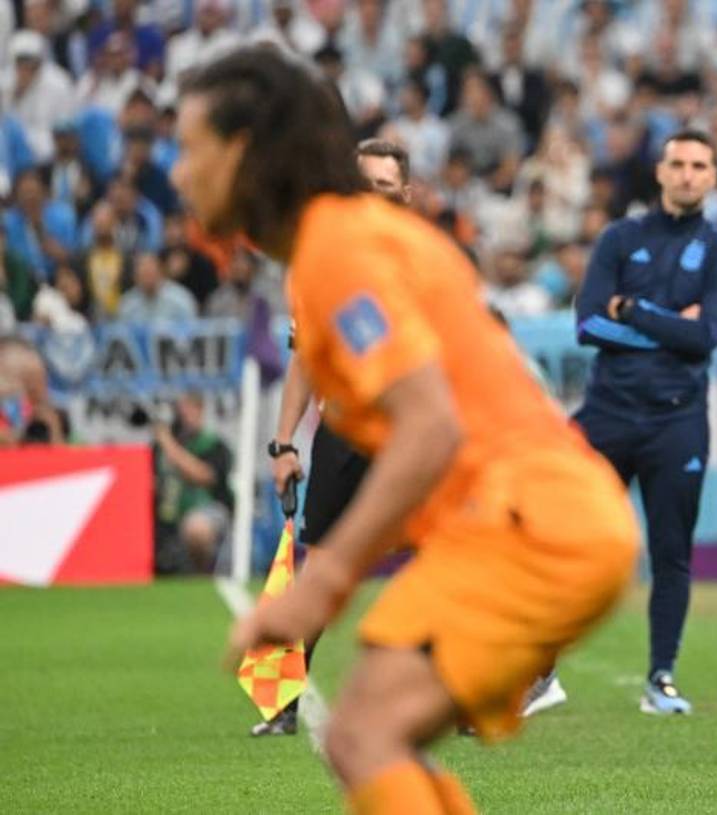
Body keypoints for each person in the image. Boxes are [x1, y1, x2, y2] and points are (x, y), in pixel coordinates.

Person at [187, 51, 637, 815]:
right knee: (365, 736)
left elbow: (429, 425)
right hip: (528, 517)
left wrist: (322, 582)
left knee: (362, 736)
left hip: (527, 521)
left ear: (242, 152)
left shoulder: (342, 252)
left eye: (190, 145)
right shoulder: (344, 247)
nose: (178, 170)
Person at [573, 129, 717, 714]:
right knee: (568, 544)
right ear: (661, 172)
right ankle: (535, 672)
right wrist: (669, 326)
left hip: (677, 421)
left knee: (671, 552)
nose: (688, 174)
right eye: (678, 163)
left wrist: (632, 310)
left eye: (700, 164)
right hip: (607, 416)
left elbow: (706, 337)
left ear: (713, 176)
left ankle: (660, 677)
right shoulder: (620, 237)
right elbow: (587, 326)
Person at [251, 138, 409, 738]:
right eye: (362, 183)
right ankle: (283, 700)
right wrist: (284, 443)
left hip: (412, 437)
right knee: (319, 568)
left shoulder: (428, 262)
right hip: (344, 431)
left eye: (385, 187)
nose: (372, 196)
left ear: (406, 194)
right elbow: (306, 362)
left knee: (445, 559)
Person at [152, 393, 234, 574]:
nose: (184, 415)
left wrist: (168, 444)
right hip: (168, 514)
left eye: (189, 409)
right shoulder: (163, 446)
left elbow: (204, 476)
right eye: (181, 410)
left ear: (200, 410)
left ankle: (203, 574)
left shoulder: (213, 444)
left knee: (196, 528)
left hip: (208, 510)